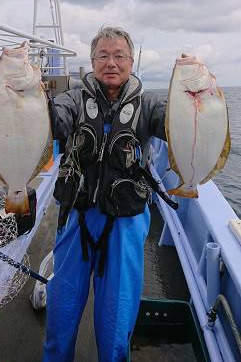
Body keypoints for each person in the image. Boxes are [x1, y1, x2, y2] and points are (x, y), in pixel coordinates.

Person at [43, 26, 174, 362]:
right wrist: (33, 101)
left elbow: (175, 125)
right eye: (103, 55)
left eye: (119, 56)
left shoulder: (149, 105)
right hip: (77, 216)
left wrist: (198, 100)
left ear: (131, 62)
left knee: (117, 314)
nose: (111, 62)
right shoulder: (73, 98)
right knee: (63, 306)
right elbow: (56, 121)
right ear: (92, 61)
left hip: (126, 223)